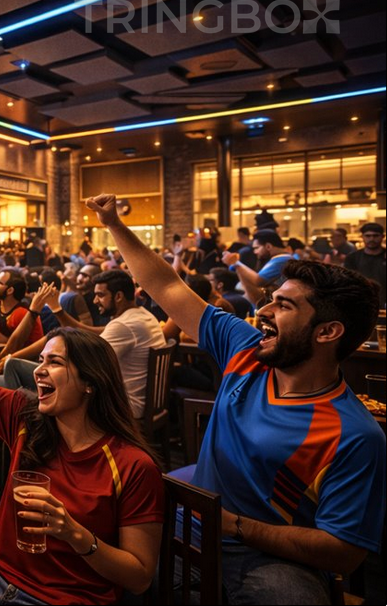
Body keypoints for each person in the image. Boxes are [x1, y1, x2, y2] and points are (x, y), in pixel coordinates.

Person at [87, 193, 385, 605]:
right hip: (190, 524)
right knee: (98, 570)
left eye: (283, 306)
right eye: (270, 300)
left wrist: (234, 526)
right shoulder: (246, 348)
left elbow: (345, 552)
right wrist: (115, 226)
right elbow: (167, 286)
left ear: (327, 332)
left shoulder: (354, 434)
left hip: (273, 557)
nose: (263, 313)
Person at [0, 271, 163, 605]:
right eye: (40, 361)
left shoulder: (133, 466)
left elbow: (139, 577)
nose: (38, 370)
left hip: (64, 597)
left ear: (90, 382)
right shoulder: (25, 416)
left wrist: (76, 534)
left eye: (54, 362)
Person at [38, 270, 166, 419]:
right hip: (145, 401)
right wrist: (58, 310)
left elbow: (86, 360)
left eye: (100, 295)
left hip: (128, 405)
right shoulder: (142, 315)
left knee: (43, 379)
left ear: (118, 296)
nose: (94, 301)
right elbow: (91, 332)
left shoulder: (124, 325)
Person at [0, 272, 44, 366]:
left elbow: (16, 346)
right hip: (5, 358)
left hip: (26, 362)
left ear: (10, 290)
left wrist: (0, 356)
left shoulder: (22, 313)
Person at [223, 229, 292, 306]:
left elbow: (258, 281)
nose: (255, 252)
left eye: (256, 248)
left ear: (268, 246)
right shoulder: (278, 259)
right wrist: (237, 265)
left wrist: (236, 263)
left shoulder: (282, 259)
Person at [344, 223, 385, 306]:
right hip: (362, 303)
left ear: (382, 237)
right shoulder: (352, 258)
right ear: (362, 237)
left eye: (375, 236)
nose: (372, 239)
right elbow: (348, 283)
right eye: (368, 236)